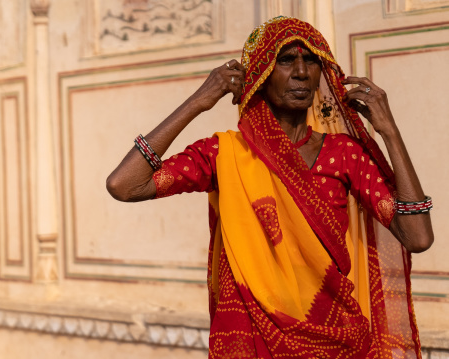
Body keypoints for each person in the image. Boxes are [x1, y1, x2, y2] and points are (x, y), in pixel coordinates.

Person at [107, 16, 433, 358]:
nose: (302, 72)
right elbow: (124, 185)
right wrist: (198, 102)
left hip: (338, 340)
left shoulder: (343, 154)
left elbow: (418, 238)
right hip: (258, 342)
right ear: (260, 73)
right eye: (286, 59)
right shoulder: (226, 154)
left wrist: (390, 132)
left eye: (311, 60)